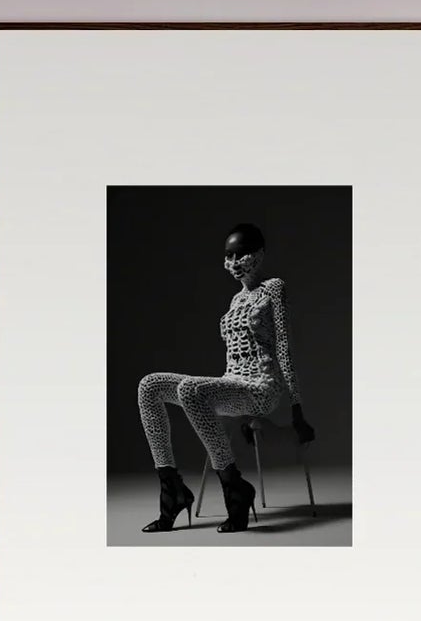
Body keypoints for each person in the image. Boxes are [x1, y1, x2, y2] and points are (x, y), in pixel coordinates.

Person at [135, 222, 316, 534]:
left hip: (261, 388)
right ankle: (172, 490)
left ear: (259, 254)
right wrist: (225, 393)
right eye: (228, 255)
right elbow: (234, 359)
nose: (234, 262)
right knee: (149, 385)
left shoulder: (273, 288)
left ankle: (234, 487)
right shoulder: (234, 301)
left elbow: (284, 347)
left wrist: (297, 407)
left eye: (242, 253)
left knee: (191, 390)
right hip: (232, 384)